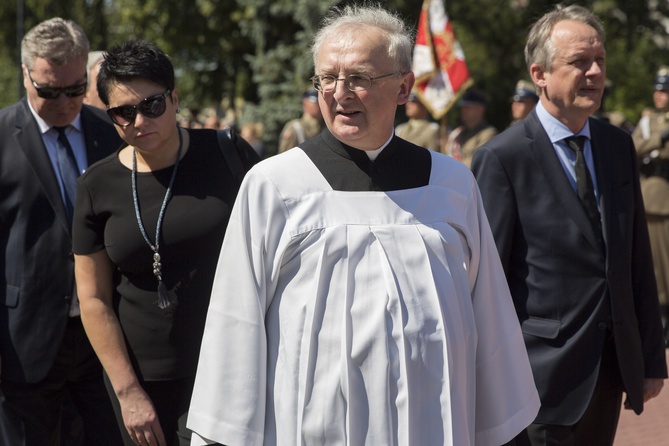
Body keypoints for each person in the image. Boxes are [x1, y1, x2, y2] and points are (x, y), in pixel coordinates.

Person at [187, 5, 540, 446]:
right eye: (327, 79)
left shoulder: (452, 184)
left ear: (404, 87)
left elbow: (486, 315)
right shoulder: (274, 185)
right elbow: (235, 321)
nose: (340, 92)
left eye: (359, 78)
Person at [471, 5, 667, 445]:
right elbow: (488, 281)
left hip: (608, 371)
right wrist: (486, 381)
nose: (595, 72)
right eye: (580, 62)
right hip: (537, 380)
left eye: (600, 61)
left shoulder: (617, 146)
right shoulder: (504, 158)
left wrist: (650, 359)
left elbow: (633, 256)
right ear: (540, 74)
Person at [72, 40, 259, 446]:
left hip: (229, 367)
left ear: (174, 99)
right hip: (141, 383)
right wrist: (127, 391)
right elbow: (94, 298)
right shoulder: (95, 185)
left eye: (152, 105)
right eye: (124, 112)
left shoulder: (227, 154)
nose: (140, 120)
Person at [0, 17, 122, 446]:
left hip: (102, 338)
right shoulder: (2, 137)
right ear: (26, 74)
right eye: (49, 91)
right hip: (24, 341)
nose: (64, 102)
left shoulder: (110, 133)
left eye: (74, 89)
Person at [632, 66, 669, 345]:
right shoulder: (646, 122)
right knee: (655, 266)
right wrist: (658, 140)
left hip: (664, 196)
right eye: (657, 89)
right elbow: (633, 149)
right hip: (653, 198)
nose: (659, 95)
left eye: (665, 90)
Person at [442, 88, 497, 168]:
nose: (464, 111)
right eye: (463, 107)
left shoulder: (488, 134)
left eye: (468, 107)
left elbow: (478, 161)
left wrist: (449, 166)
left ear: (480, 109)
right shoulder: (459, 133)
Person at [277, 88, 323, 153]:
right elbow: (284, 158)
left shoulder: (326, 127)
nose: (320, 105)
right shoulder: (295, 128)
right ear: (305, 103)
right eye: (316, 102)